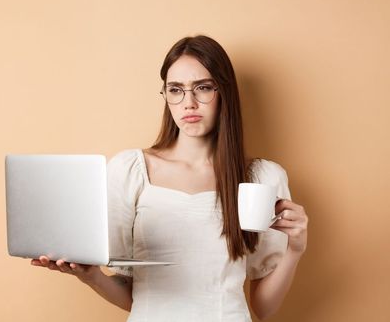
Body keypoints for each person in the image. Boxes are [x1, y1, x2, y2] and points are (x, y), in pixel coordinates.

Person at [30, 35, 309, 321]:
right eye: (176, 90)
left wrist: (295, 251)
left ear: (224, 92)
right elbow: (134, 296)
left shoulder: (262, 178)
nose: (188, 103)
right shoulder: (130, 170)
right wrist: (92, 277)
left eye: (203, 88)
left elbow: (263, 308)